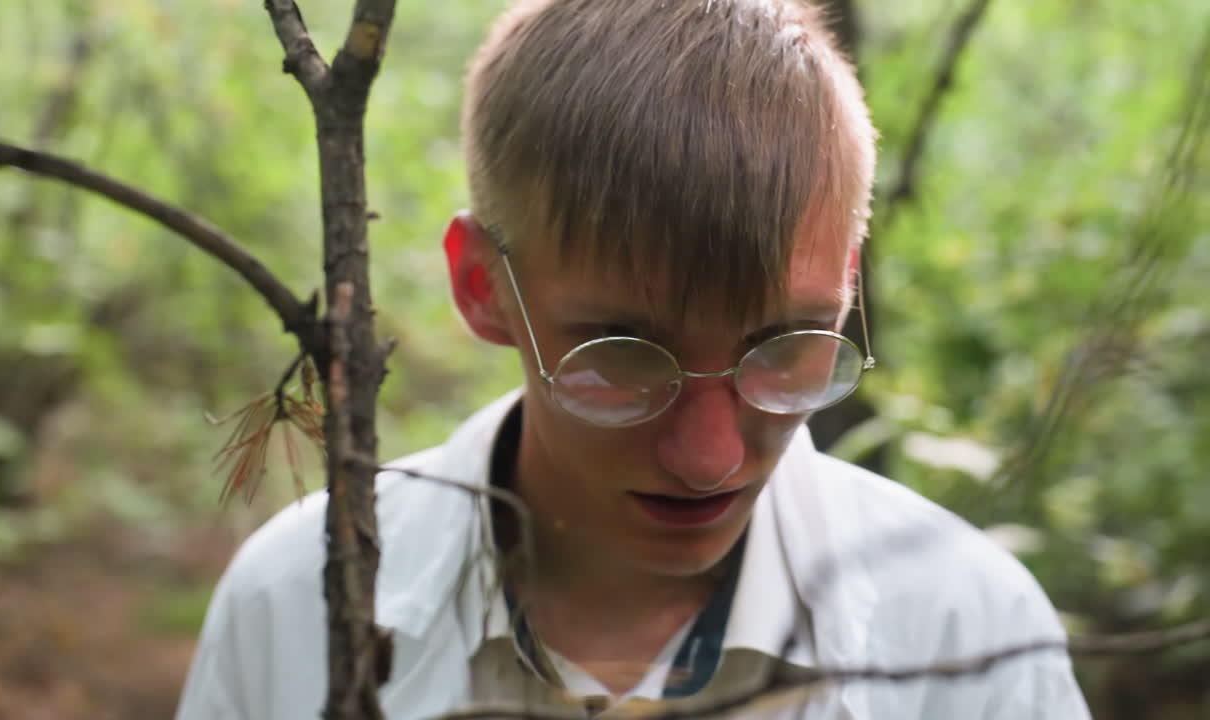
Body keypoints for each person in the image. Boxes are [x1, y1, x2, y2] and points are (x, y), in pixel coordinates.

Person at [176, 0, 1092, 718]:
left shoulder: (964, 628)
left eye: (784, 348)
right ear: (483, 286)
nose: (710, 458)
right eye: (624, 356)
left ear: (848, 287)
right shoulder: (297, 600)